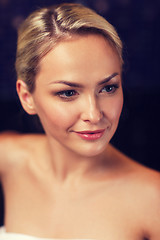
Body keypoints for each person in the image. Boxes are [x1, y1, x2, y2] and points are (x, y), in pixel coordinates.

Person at [0, 2, 159, 240]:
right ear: (27, 97)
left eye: (108, 88)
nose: (94, 115)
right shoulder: (9, 159)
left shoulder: (152, 199)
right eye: (68, 93)